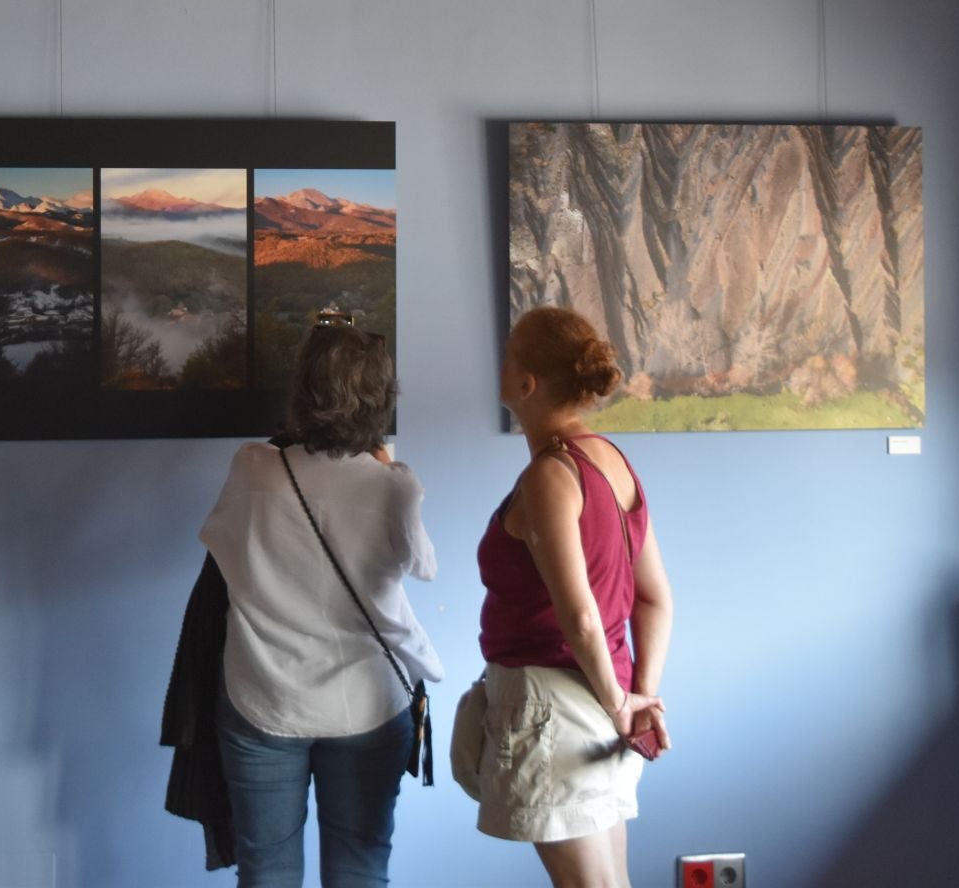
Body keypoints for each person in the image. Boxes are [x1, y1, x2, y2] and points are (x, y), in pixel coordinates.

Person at [199, 318, 443, 887]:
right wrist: (394, 470)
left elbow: (218, 542)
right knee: (360, 866)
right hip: (368, 705)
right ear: (381, 398)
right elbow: (423, 567)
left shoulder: (254, 467)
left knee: (267, 870)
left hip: (264, 698)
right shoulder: (394, 487)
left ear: (303, 392)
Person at [473, 307, 675, 888]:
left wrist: (622, 705)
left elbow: (580, 615)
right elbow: (655, 598)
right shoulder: (614, 462)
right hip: (604, 698)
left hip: (554, 708)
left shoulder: (549, 477)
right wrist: (639, 698)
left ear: (526, 383)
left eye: (509, 353)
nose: (501, 363)